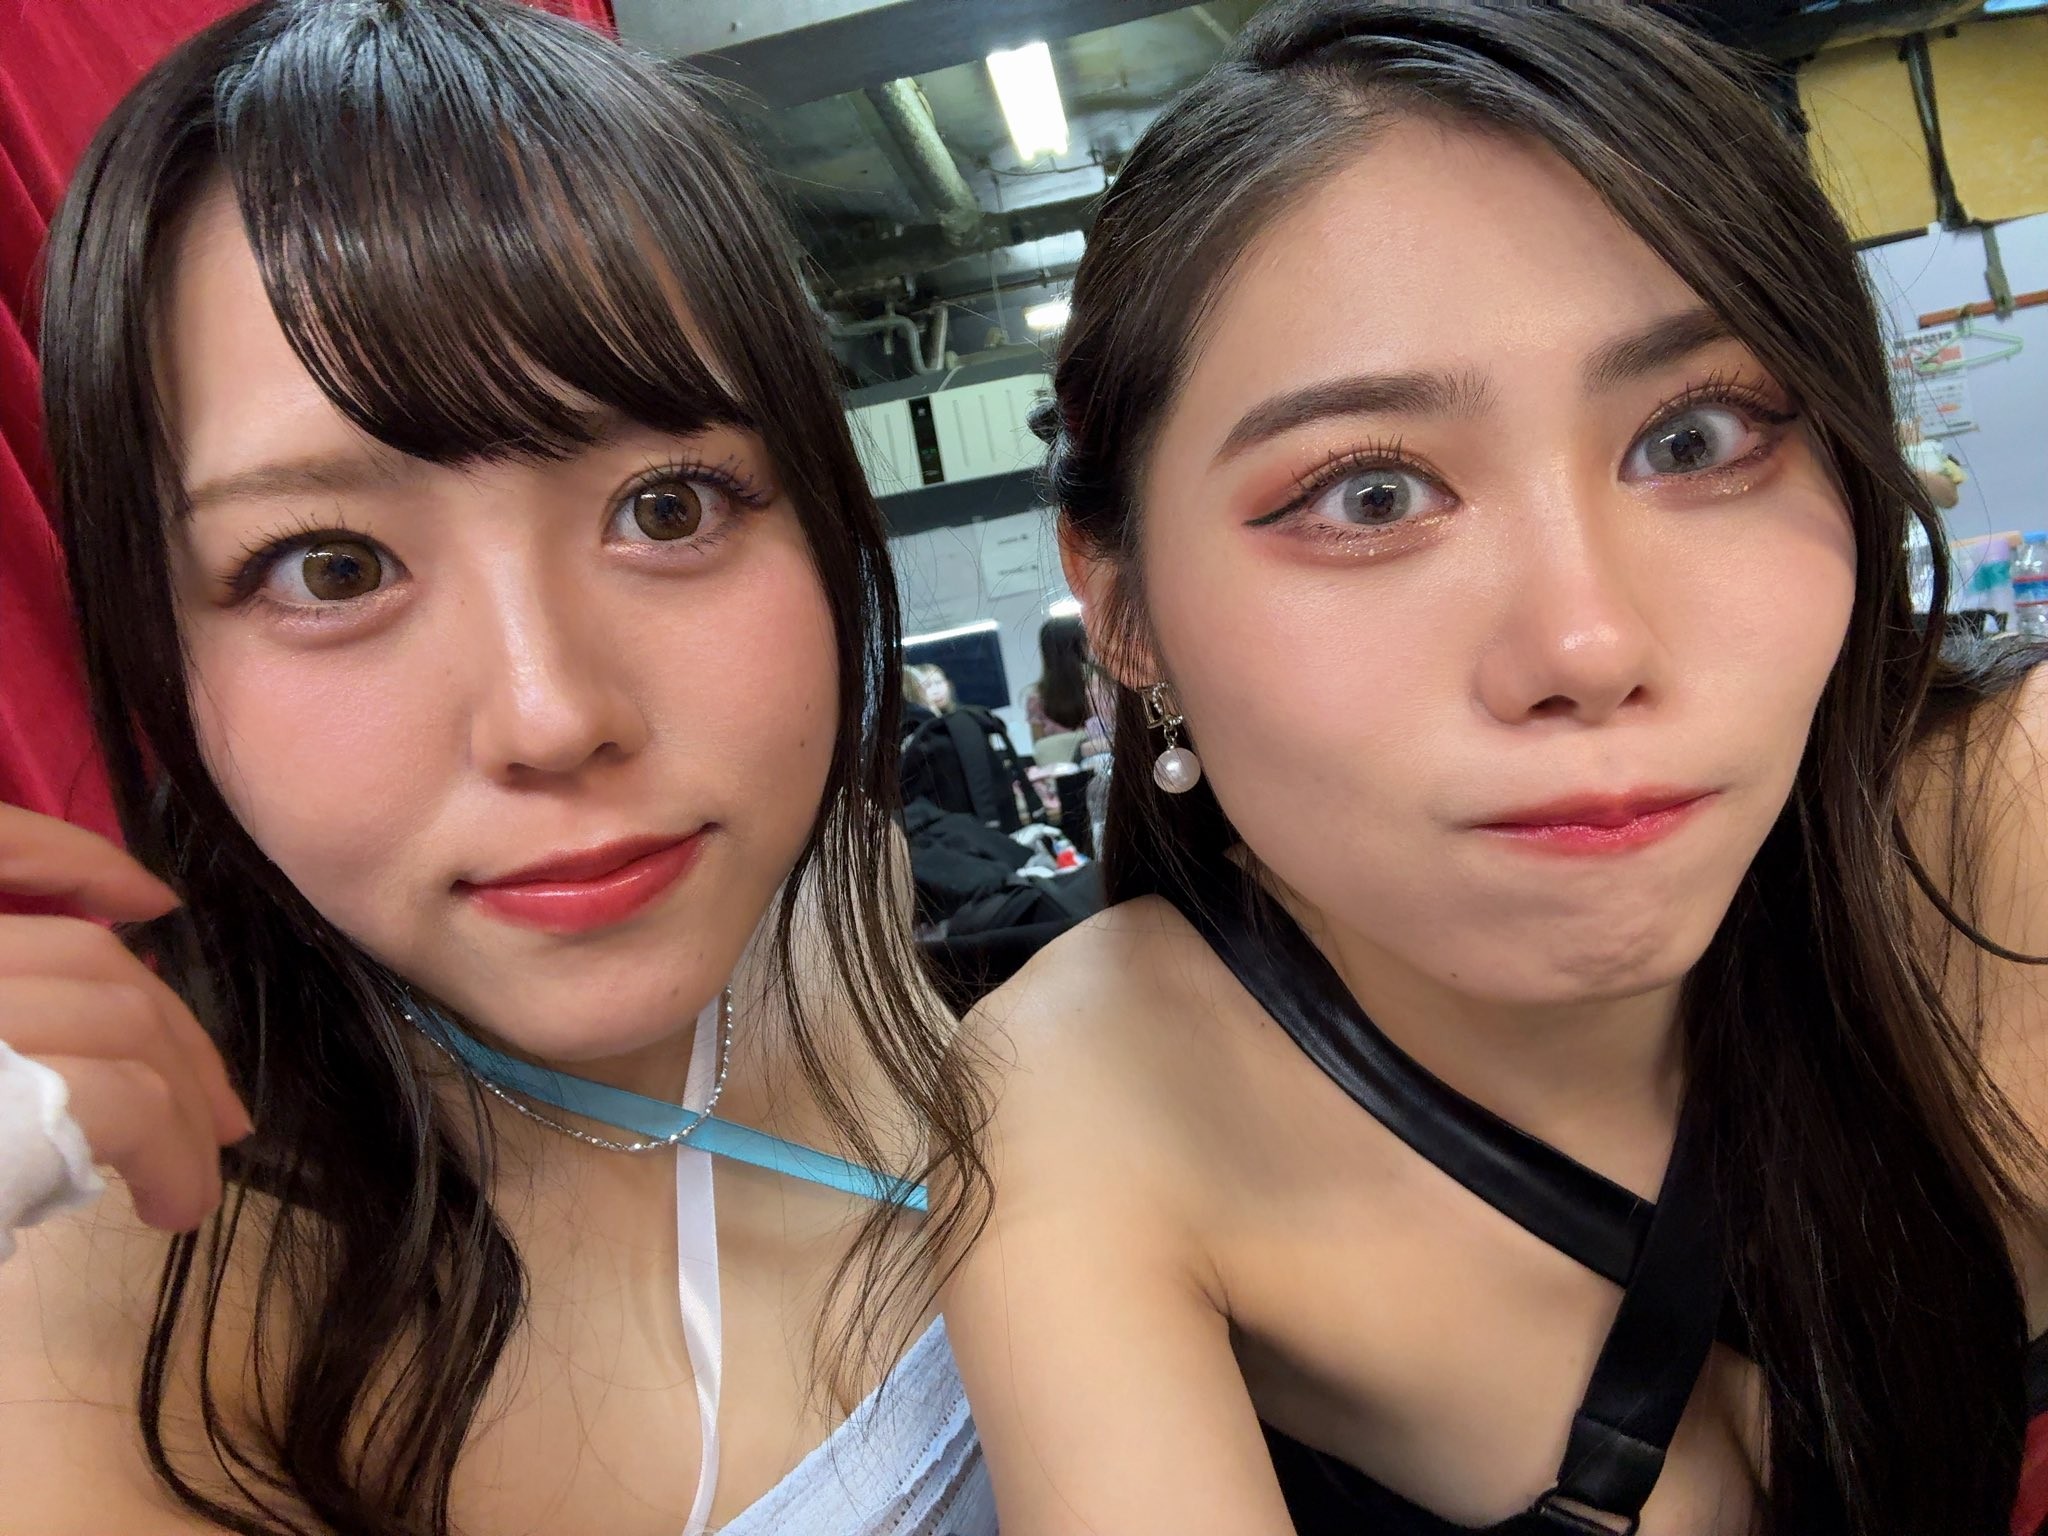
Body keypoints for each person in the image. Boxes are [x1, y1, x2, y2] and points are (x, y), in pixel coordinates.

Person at [943, 4, 2048, 1535]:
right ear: (1124, 606)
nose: (1588, 644)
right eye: (1371, 493)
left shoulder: (2007, 833)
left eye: (1693, 437)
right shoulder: (1094, 1095)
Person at [0, 4, 994, 1533]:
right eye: (332, 567)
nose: (550, 713)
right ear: (158, 648)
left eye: (668, 507)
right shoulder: (112, 1304)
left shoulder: (857, 898)